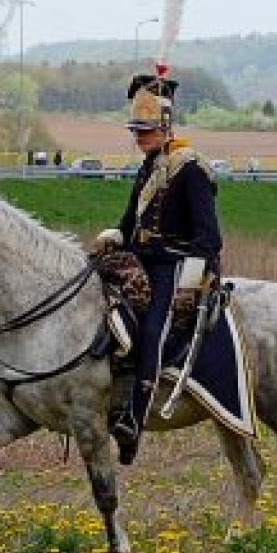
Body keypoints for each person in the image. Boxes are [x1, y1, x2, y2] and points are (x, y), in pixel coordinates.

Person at [95, 72, 222, 464]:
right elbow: (131, 221)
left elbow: (209, 238)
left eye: (145, 129)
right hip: (142, 260)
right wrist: (116, 234)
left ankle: (134, 415)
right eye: (136, 128)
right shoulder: (149, 165)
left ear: (165, 126)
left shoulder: (192, 169)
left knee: (154, 327)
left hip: (178, 265)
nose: (139, 136)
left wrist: (180, 265)